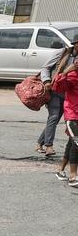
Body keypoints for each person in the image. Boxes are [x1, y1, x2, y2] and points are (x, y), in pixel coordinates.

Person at [51, 40, 78, 186]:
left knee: (71, 143)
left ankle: (61, 170)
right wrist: (68, 70)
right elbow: (57, 86)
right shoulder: (71, 74)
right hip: (72, 114)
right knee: (77, 142)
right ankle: (73, 176)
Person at [37, 44, 69, 157]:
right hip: (54, 90)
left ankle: (40, 143)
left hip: (69, 93)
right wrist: (46, 81)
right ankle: (49, 146)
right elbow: (45, 68)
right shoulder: (62, 52)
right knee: (54, 116)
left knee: (55, 119)